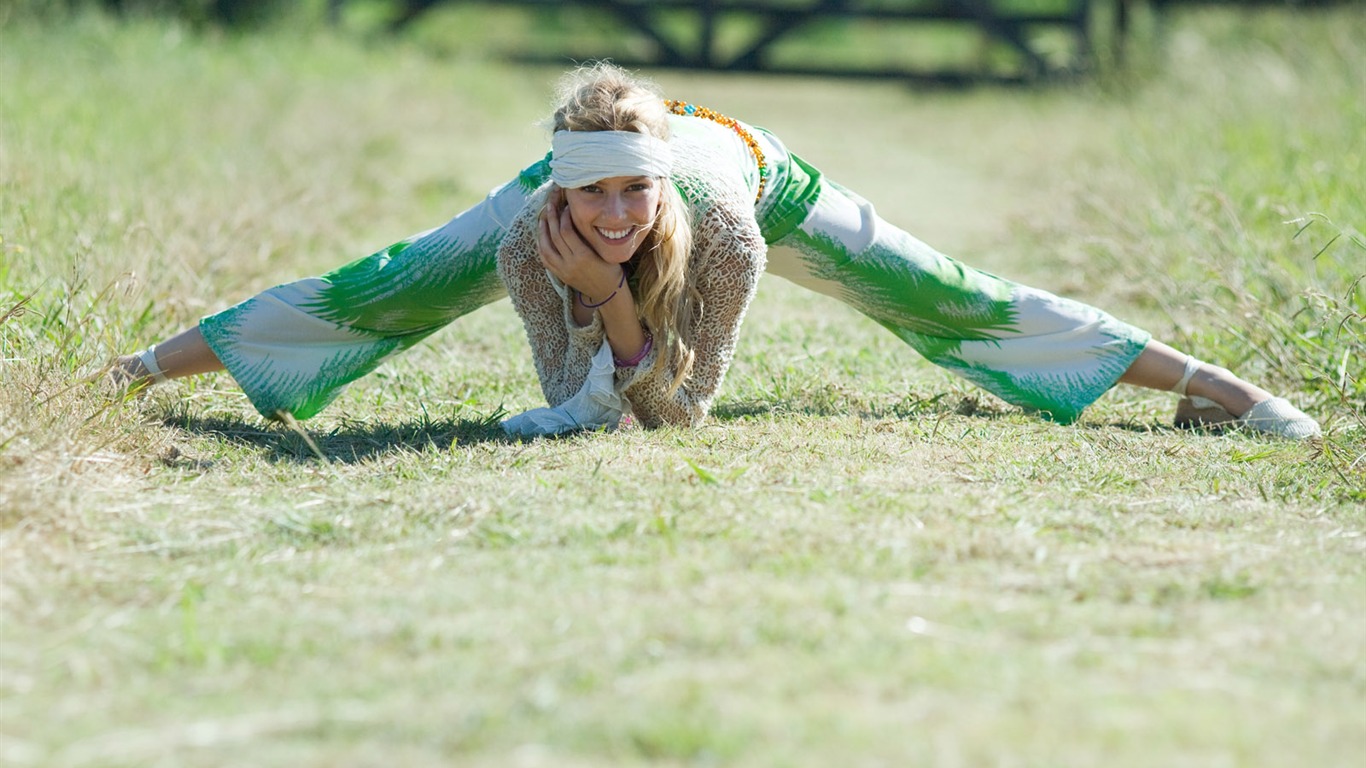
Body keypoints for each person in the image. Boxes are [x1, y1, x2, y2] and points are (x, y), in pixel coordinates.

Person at [109, 63, 1320, 440]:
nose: (620, 218)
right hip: (551, 217)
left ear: (657, 181)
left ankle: (1218, 390)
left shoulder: (722, 229)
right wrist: (583, 297)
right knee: (391, 286)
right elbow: (574, 401)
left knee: (944, 296)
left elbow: (675, 414)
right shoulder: (536, 229)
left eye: (635, 195)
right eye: (599, 201)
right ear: (562, 192)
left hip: (762, 181)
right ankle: (133, 375)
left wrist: (626, 314)